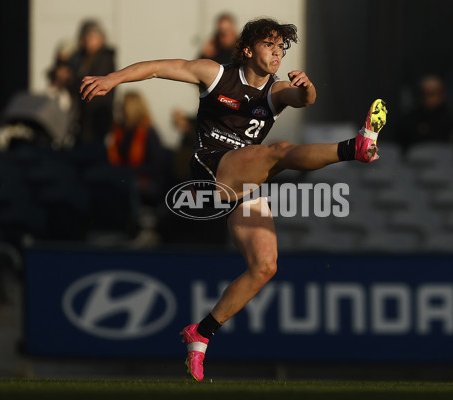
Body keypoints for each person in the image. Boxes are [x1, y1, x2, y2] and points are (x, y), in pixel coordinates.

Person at [80, 18, 387, 381]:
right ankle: (356, 147)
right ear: (247, 49)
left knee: (265, 265)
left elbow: (303, 99)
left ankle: (201, 334)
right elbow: (161, 68)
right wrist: (112, 79)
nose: (277, 53)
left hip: (245, 180)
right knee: (279, 151)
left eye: (280, 48)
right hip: (211, 169)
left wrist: (307, 89)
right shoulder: (216, 74)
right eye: (269, 45)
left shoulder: (276, 90)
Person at [107, 91, 173, 207]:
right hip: (124, 175)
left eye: (123, 106)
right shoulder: (121, 131)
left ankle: (137, 220)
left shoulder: (148, 132)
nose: (120, 110)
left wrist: (131, 172)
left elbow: (157, 164)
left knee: (130, 185)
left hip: (146, 180)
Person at [69, 20, 116, 144]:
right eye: (86, 37)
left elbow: (91, 83)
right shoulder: (80, 58)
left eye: (92, 37)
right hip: (83, 118)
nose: (88, 41)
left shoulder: (105, 57)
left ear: (101, 38)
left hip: (98, 115)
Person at [396, 75, 453, 152]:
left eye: (432, 93)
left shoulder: (450, 118)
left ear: (442, 95)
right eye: (424, 93)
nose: (427, 98)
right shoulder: (410, 119)